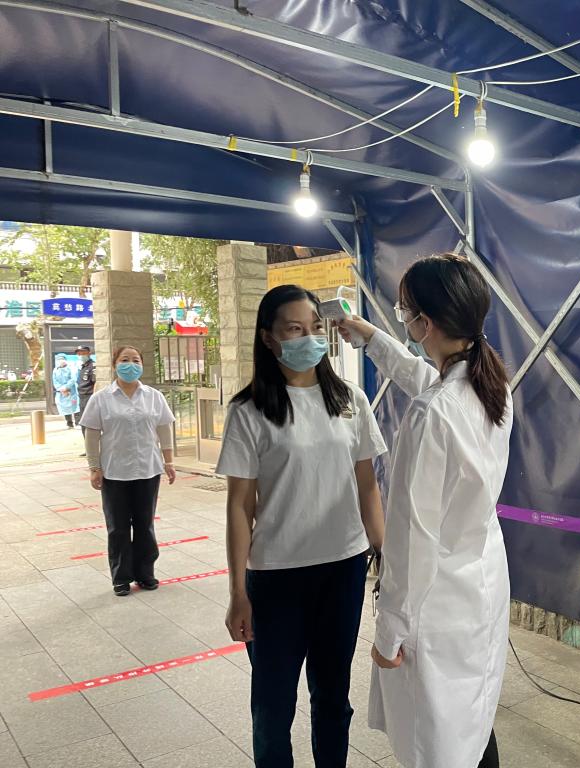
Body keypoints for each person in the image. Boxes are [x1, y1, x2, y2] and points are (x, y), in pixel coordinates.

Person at [338, 253, 513, 768]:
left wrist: (390, 630)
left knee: (436, 740)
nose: (403, 320)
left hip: (434, 603)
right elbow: (426, 379)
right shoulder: (491, 386)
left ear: (426, 323)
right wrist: (372, 337)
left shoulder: (430, 413)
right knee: (471, 720)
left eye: (404, 312)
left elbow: (412, 538)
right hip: (479, 584)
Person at [218, 284, 387, 768]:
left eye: (315, 327)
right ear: (268, 338)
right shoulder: (249, 410)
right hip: (275, 578)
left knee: (333, 698)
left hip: (343, 570)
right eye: (294, 329)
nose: (309, 338)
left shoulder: (350, 399)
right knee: (273, 707)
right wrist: (237, 592)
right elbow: (239, 506)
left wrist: (385, 554)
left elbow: (368, 487)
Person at [80, 346, 176, 597]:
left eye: (136, 360)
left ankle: (145, 573)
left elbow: (164, 429)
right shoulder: (101, 398)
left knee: (145, 525)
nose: (130, 364)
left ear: (142, 365)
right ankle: (121, 578)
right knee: (118, 527)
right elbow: (92, 435)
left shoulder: (153, 396)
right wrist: (94, 467)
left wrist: (169, 462)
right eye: (125, 360)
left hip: (147, 470)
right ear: (115, 365)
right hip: (115, 472)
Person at [51, 356, 79, 428]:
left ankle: (78, 423)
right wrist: (61, 389)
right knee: (65, 408)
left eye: (62, 359)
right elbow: (55, 381)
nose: (61, 361)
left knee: (75, 407)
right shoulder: (56, 370)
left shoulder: (71, 368)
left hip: (72, 391)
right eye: (59, 360)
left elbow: (73, 379)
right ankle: (69, 423)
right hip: (61, 393)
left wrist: (66, 387)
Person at [74, 345, 96, 432]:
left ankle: (89, 439)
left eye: (83, 353)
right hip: (82, 397)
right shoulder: (83, 366)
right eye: (79, 353)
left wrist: (93, 398)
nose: (80, 355)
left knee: (89, 421)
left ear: (89, 353)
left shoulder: (92, 366)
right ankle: (85, 438)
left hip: (89, 396)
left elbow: (95, 383)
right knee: (83, 421)